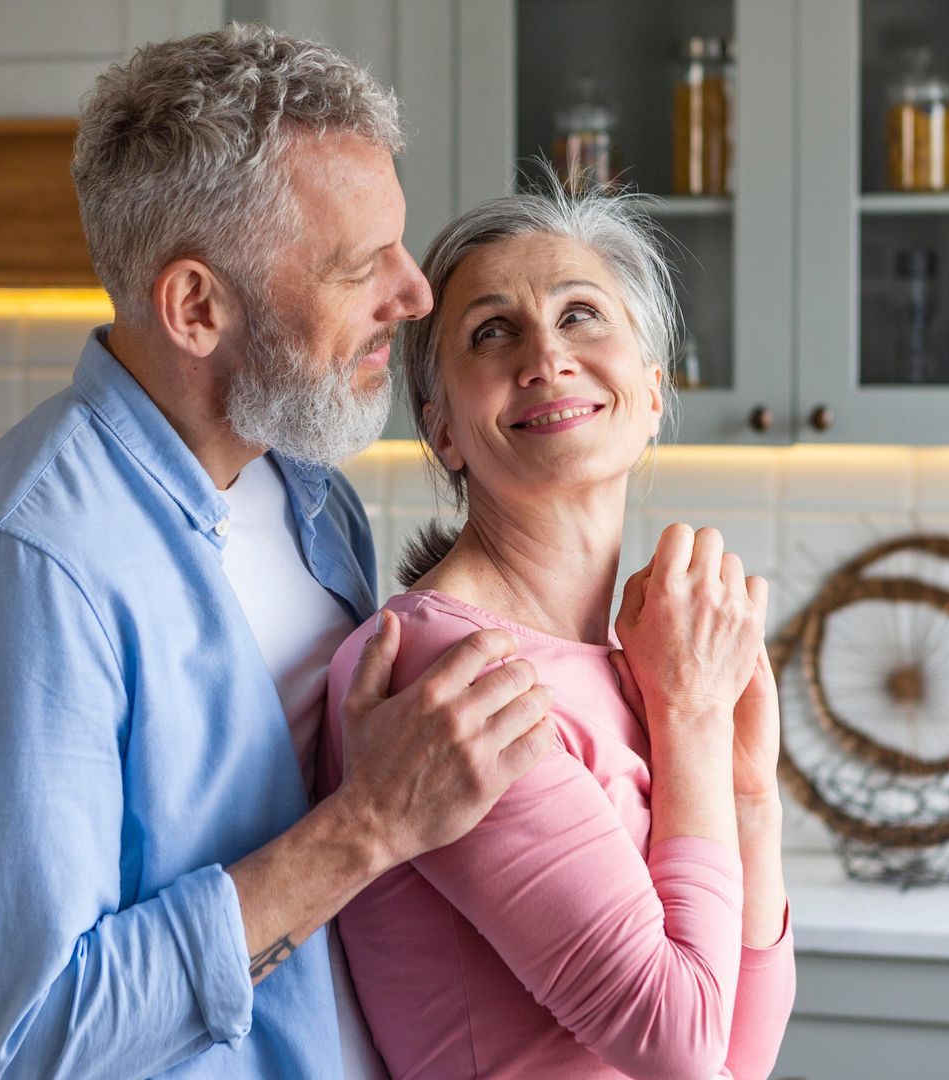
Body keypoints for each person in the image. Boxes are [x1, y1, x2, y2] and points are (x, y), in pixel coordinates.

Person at [0, 25, 557, 1078]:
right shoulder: (23, 572)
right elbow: (29, 1045)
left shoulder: (311, 494)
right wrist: (368, 827)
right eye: (361, 267)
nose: (415, 295)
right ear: (196, 307)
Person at [319, 185, 796, 1078]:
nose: (547, 355)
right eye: (491, 332)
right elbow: (680, 1047)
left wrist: (748, 800)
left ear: (653, 390)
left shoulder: (632, 669)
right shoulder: (448, 673)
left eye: (581, 314)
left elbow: (742, 1051)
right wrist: (690, 717)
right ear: (443, 430)